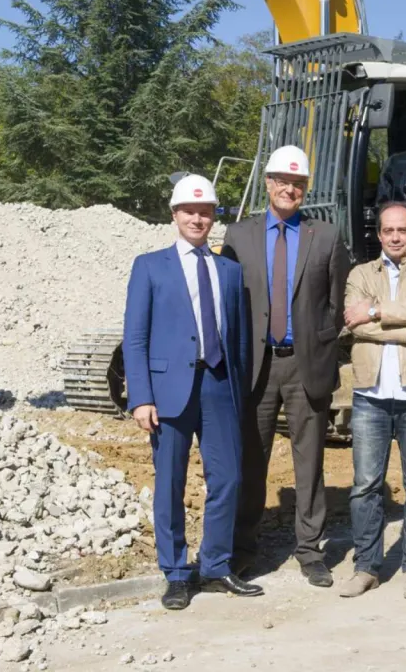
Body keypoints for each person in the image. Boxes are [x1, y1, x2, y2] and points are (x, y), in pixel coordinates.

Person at [121, 174, 259, 611]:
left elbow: (239, 338)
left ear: (214, 216)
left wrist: (239, 389)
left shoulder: (229, 271)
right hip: (168, 391)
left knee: (228, 478)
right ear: (175, 214)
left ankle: (216, 566)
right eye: (190, 211)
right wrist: (141, 396)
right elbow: (135, 337)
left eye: (205, 212)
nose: (198, 219)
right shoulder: (150, 266)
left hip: (219, 385)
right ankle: (177, 573)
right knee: (171, 484)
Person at [221, 145, 351, 588]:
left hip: (305, 364)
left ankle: (311, 551)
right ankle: (242, 549)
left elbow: (335, 304)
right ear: (268, 183)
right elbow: (231, 304)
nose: (289, 189)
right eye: (281, 181)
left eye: (297, 184)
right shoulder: (238, 237)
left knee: (309, 462)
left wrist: (321, 350)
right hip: (255, 367)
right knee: (250, 462)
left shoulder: (327, 236)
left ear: (305, 189)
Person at [338, 201, 406, 601]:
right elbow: (352, 327)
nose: (396, 237)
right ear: (379, 234)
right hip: (370, 392)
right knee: (366, 485)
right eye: (389, 230)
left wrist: (374, 312)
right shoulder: (359, 273)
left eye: (403, 230)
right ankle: (366, 567)